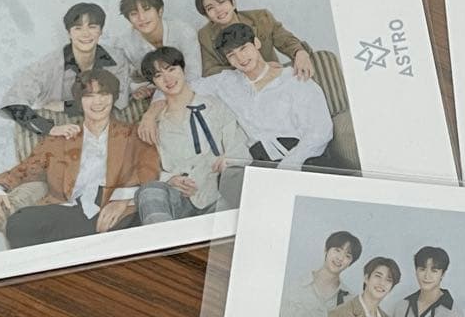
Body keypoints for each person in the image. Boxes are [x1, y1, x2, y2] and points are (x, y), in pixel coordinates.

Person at [136, 23, 334, 203]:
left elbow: (320, 132)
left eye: (243, 48)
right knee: (232, 186)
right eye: (231, 55)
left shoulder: (295, 80)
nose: (240, 58)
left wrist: (288, 167)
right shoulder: (226, 82)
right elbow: (178, 85)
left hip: (303, 157)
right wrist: (150, 115)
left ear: (256, 43)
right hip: (257, 162)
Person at [0, 68, 158, 247]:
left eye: (103, 94)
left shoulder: (134, 134)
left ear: (114, 97)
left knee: (136, 225)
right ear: (79, 101)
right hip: (71, 210)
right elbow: (24, 170)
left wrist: (123, 199)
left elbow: (150, 170)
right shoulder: (60, 139)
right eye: (89, 96)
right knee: (18, 224)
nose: (97, 102)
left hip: (117, 210)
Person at [133, 47, 248, 224]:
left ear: (183, 69)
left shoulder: (215, 106)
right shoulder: (153, 125)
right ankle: (165, 241)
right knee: (149, 191)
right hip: (181, 200)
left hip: (218, 195)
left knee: (237, 183)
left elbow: (239, 147)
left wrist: (229, 160)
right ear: (154, 83)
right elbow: (148, 168)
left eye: (171, 69)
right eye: (159, 76)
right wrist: (170, 180)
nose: (168, 79)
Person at [0, 2, 131, 135]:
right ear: (69, 33)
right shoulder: (48, 65)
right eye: (78, 28)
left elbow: (120, 102)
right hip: (59, 125)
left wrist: (65, 106)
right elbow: (12, 103)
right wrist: (50, 128)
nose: (85, 34)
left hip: (104, 127)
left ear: (101, 31)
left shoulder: (117, 59)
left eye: (92, 27)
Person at [193, 0, 315, 79]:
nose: (218, 10)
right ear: (207, 16)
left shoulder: (261, 17)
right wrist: (257, 69)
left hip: (274, 77)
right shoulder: (204, 35)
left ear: (233, 3)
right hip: (241, 87)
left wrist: (300, 52)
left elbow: (285, 40)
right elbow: (211, 71)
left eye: (221, 2)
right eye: (210, 8)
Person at [113, 0, 202, 98]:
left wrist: (160, 91)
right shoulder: (123, 44)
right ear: (129, 19)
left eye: (146, 9)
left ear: (160, 11)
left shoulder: (183, 31)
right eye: (134, 13)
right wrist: (139, 88)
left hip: (189, 90)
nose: (141, 18)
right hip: (153, 92)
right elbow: (121, 81)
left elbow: (194, 74)